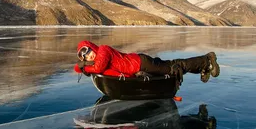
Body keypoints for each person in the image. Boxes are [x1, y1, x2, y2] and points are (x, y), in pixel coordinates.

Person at [75, 96, 217, 129]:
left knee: (171, 123)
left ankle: (199, 119)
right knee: (171, 125)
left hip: (135, 124)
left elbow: (99, 126)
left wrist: (86, 127)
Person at [74, 40, 220, 84]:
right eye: (84, 56)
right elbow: (106, 71)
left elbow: (99, 68)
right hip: (138, 66)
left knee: (173, 67)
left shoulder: (103, 50)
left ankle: (207, 60)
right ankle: (203, 67)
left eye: (87, 51)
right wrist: (81, 67)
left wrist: (83, 67)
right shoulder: (97, 59)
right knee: (170, 65)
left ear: (92, 47)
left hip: (141, 63)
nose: (88, 56)